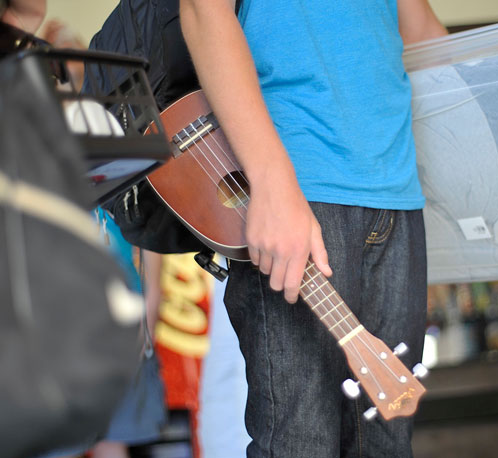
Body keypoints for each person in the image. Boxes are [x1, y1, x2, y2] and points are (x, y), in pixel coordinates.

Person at [179, 0, 447, 456]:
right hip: (296, 187)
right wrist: (270, 183)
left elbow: (420, 28)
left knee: (387, 445)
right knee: (300, 443)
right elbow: (203, 9)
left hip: (396, 192)